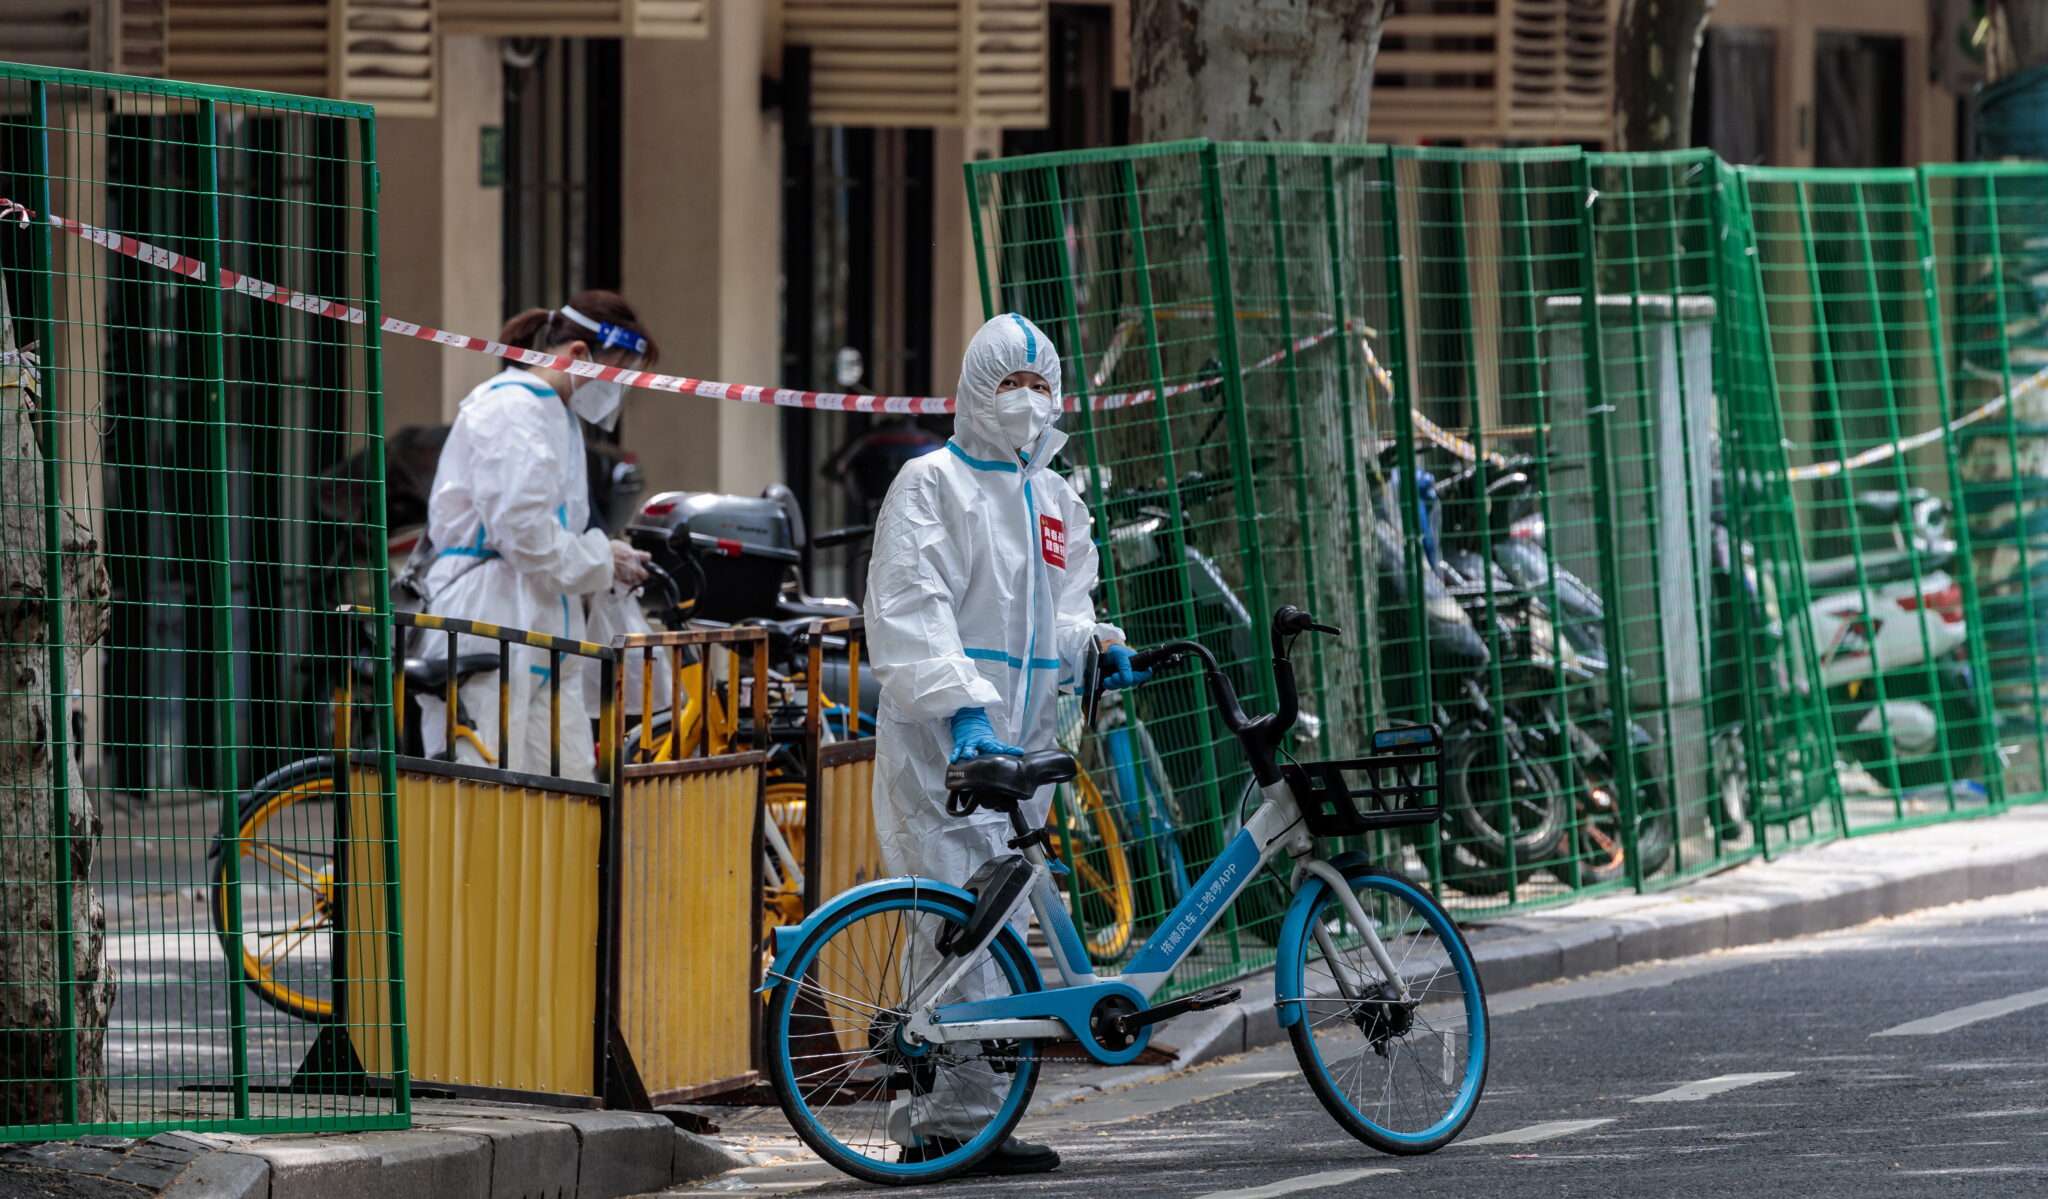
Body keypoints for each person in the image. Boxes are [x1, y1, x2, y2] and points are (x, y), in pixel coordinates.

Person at [864, 313, 1150, 1174]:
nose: (1026, 402)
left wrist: (1095, 645)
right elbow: (916, 609)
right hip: (945, 743)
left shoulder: (1054, 497)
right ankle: (942, 1126)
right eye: (1009, 384)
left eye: (1039, 386)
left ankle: (975, 1121)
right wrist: (964, 715)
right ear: (974, 389)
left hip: (1028, 741)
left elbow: (1066, 609)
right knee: (952, 922)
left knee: (1006, 927)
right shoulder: (931, 483)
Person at [415, 291, 658, 780]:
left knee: (564, 787)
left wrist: (600, 554)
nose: (617, 390)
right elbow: (525, 535)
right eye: (617, 372)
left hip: (533, 615)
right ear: (579, 356)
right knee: (483, 792)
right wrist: (601, 558)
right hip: (488, 610)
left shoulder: (553, 413)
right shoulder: (512, 409)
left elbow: (541, 533)